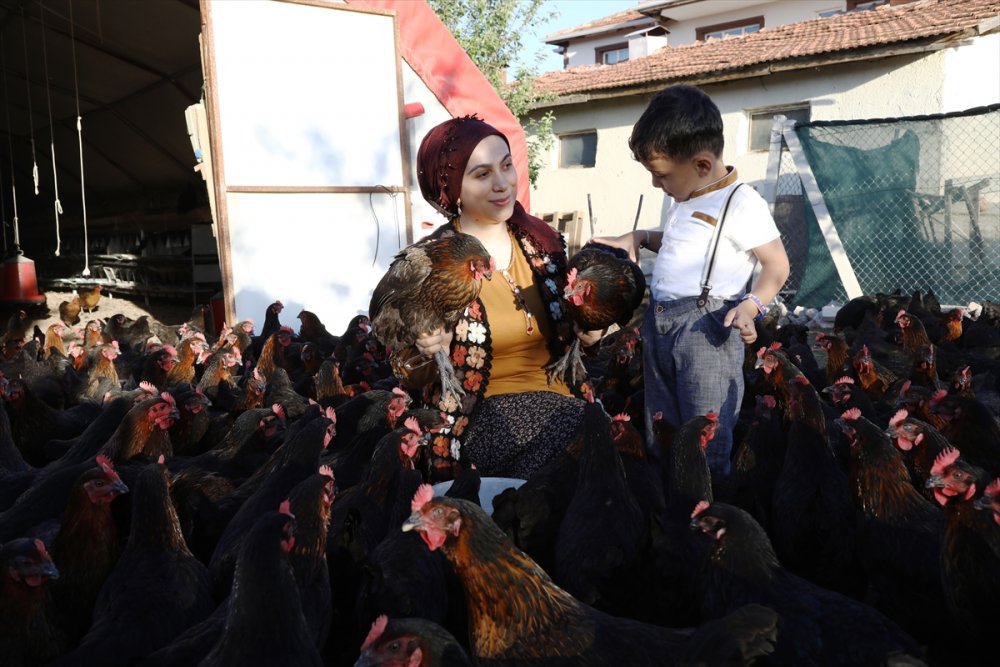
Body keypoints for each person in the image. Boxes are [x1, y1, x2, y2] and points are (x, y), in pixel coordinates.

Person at [596, 84, 790, 477]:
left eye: (661, 175)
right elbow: (681, 244)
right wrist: (639, 237)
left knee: (704, 429)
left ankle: (705, 500)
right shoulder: (687, 196)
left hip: (707, 330)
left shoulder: (741, 202)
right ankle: (666, 495)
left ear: (702, 164)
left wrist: (752, 305)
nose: (657, 185)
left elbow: (776, 265)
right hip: (661, 324)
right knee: (662, 425)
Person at [401, 115, 598, 482]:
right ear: (452, 189)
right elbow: (404, 368)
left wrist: (590, 333)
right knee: (578, 441)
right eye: (482, 174)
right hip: (480, 417)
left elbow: (575, 338)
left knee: (602, 443)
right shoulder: (430, 263)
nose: (502, 183)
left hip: (567, 402)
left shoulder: (543, 244)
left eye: (506, 166)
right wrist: (427, 350)